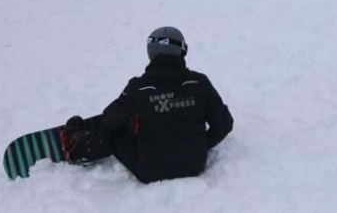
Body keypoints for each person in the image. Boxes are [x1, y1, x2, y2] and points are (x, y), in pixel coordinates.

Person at [61, 27, 234, 184]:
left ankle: (79, 150)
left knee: (116, 130)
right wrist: (201, 144)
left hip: (150, 171)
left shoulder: (139, 88)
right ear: (182, 50)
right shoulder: (199, 83)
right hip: (194, 164)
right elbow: (224, 123)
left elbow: (109, 121)